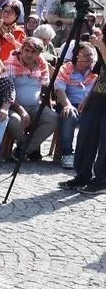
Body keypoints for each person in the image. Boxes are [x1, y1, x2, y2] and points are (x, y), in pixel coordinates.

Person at [59, 34, 106, 193]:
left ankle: (101, 181)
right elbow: (100, 74)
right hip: (97, 98)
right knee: (86, 136)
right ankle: (82, 175)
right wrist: (88, 97)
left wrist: (101, 46)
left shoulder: (102, 46)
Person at [4, 37, 57, 161]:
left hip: (35, 105)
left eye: (33, 52)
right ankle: (31, 148)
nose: (29, 54)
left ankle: (22, 150)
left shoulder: (42, 65)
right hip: (13, 106)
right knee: (15, 122)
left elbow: (45, 88)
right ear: (22, 50)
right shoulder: (10, 64)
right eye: (27, 50)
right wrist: (22, 111)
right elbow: (7, 92)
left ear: (38, 54)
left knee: (53, 118)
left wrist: (48, 108)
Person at [54, 43, 100, 169]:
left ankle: (88, 156)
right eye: (86, 55)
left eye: (91, 54)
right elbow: (59, 89)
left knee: (97, 120)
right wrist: (67, 105)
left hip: (89, 105)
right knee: (69, 115)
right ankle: (67, 153)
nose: (90, 58)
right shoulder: (66, 68)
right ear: (77, 56)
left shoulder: (95, 70)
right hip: (69, 103)